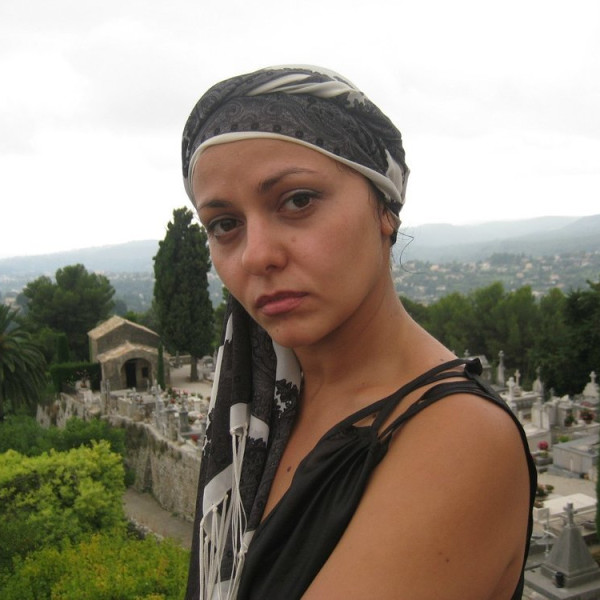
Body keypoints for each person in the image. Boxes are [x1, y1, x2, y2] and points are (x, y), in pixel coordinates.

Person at [181, 65, 536, 600]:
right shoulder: (260, 409)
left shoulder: (460, 441)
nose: (257, 256)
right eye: (225, 224)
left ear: (384, 209)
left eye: (297, 200)